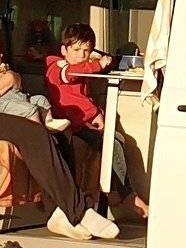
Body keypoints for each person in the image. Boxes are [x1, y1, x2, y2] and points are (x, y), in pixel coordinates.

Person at [0, 20, 115, 242]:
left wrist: (12, 79)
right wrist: (7, 80)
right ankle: (79, 210)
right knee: (33, 131)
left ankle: (58, 212)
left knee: (64, 134)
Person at [46, 23, 147, 218]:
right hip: (70, 125)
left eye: (86, 51)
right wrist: (98, 65)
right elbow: (70, 75)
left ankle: (116, 192)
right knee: (111, 143)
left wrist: (96, 113)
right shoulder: (55, 66)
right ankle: (128, 196)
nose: (82, 55)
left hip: (83, 123)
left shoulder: (79, 65)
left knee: (118, 140)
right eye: (76, 50)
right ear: (63, 50)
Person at [0, 30, 67, 129]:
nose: (2, 55)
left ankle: (49, 121)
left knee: (41, 99)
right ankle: (37, 130)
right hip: (2, 103)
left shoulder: (1, 67)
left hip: (18, 98)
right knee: (30, 110)